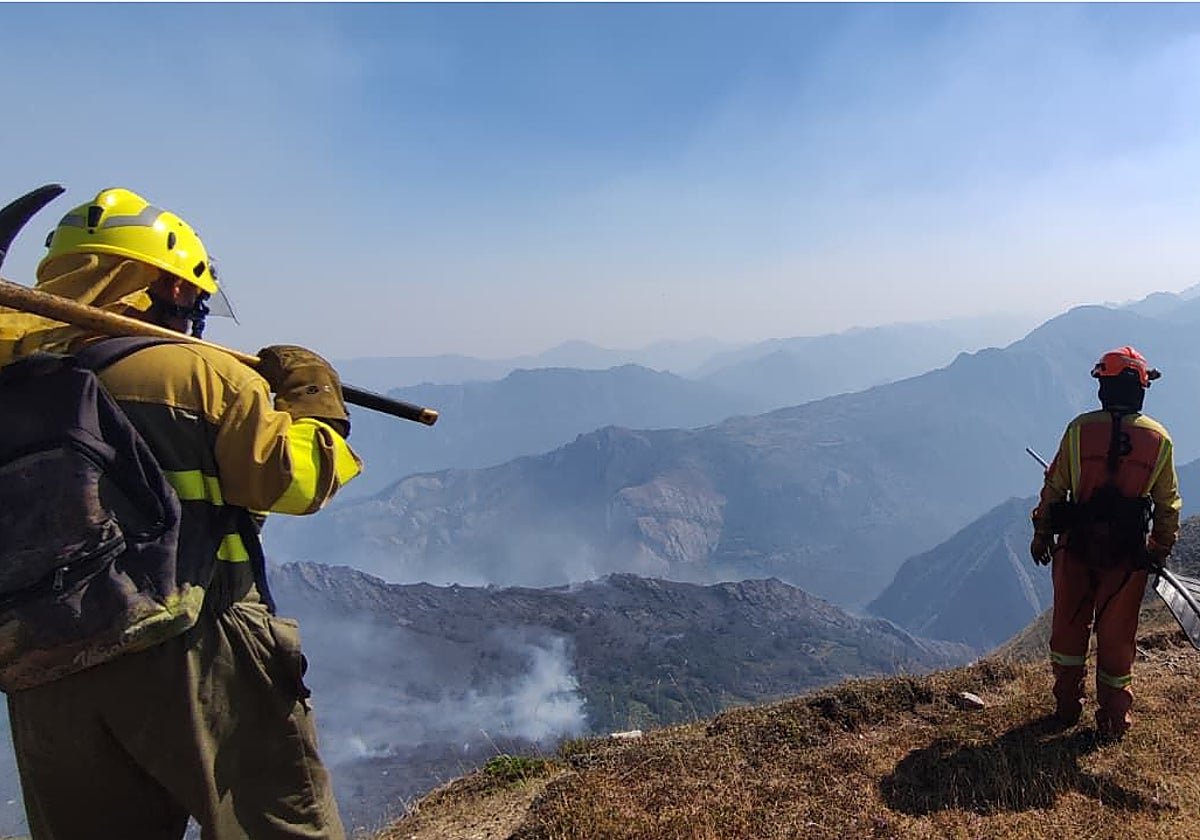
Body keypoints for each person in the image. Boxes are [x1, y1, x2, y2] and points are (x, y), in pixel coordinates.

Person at [0, 188, 361, 838]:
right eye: (196, 294)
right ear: (165, 282)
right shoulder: (196, 373)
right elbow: (296, 481)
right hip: (197, 645)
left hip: (43, 666)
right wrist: (316, 399)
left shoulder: (11, 375)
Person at [1030, 345, 1181, 742]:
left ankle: (1066, 710)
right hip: (1127, 562)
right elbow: (1168, 505)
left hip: (1074, 550)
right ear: (1142, 389)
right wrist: (1158, 550)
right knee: (1117, 642)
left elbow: (1054, 487)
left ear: (1103, 386)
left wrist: (1042, 532)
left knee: (1067, 632)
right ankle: (1114, 722)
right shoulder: (1159, 439)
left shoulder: (1079, 430)